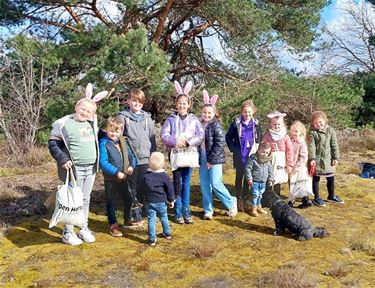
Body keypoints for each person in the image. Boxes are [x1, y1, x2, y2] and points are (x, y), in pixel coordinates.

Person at [48, 83, 108, 245]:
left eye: (89, 111)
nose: (85, 112)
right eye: (83, 109)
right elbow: (53, 144)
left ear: (92, 114)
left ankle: (83, 228)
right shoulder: (64, 125)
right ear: (76, 107)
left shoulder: (91, 125)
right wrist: (62, 159)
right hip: (73, 170)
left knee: (85, 199)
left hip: (91, 169)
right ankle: (68, 232)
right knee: (72, 200)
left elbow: (105, 137)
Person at [160, 80, 204, 224]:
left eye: (184, 103)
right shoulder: (171, 119)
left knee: (186, 182)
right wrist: (175, 142)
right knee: (177, 182)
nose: (182, 106)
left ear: (189, 105)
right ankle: (177, 211)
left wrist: (188, 142)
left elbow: (200, 134)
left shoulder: (194, 119)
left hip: (189, 155)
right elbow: (164, 134)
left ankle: (186, 210)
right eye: (179, 103)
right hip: (177, 156)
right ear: (176, 105)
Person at [118, 88, 156, 224]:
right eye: (134, 101)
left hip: (145, 158)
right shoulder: (122, 117)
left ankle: (142, 207)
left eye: (139, 102)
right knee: (131, 186)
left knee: (143, 185)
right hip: (131, 159)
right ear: (128, 101)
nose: (136, 104)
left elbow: (152, 138)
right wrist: (124, 158)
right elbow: (119, 138)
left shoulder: (147, 118)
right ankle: (134, 211)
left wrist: (153, 156)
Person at [199, 90, 238, 220]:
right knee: (205, 184)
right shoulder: (199, 124)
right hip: (202, 157)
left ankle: (231, 202)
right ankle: (208, 210)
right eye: (204, 112)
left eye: (209, 112)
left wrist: (211, 160)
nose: (206, 114)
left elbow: (219, 145)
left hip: (214, 159)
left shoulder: (217, 126)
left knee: (215, 183)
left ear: (214, 113)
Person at [99, 116, 137, 237]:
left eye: (117, 131)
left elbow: (132, 157)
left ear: (121, 131)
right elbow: (103, 162)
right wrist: (116, 172)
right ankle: (113, 225)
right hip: (111, 179)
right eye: (111, 130)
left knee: (129, 199)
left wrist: (131, 166)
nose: (114, 134)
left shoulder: (123, 141)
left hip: (124, 177)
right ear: (106, 129)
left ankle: (127, 220)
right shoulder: (104, 143)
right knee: (111, 202)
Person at [225, 100, 262, 212]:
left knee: (248, 176)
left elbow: (259, 137)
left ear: (253, 112)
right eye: (245, 112)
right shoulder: (236, 123)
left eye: (249, 112)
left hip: (251, 154)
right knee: (239, 176)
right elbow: (228, 137)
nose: (247, 114)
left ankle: (245, 198)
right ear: (241, 111)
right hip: (240, 154)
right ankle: (238, 198)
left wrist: (258, 150)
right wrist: (234, 149)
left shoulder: (256, 124)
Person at [308, 111, 343, 206]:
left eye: (320, 122)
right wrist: (312, 159)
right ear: (313, 123)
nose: (318, 124)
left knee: (331, 178)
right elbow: (311, 146)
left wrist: (335, 157)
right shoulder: (312, 132)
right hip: (317, 160)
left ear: (325, 121)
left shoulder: (330, 130)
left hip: (329, 159)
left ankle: (331, 196)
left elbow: (334, 145)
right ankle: (317, 198)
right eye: (316, 123)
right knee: (316, 178)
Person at [261, 111, 294, 207]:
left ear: (282, 124)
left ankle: (276, 199)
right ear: (270, 124)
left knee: (278, 180)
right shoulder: (267, 136)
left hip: (281, 160)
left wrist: (290, 164)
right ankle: (266, 199)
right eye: (274, 124)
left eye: (279, 124)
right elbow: (263, 147)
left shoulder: (285, 136)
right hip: (271, 160)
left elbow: (290, 150)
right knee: (269, 178)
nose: (276, 126)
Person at [144, 152, 175, 246]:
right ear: (163, 164)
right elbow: (170, 189)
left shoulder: (146, 176)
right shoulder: (164, 176)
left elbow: (141, 188)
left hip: (149, 201)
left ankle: (152, 239)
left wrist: (141, 199)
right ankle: (167, 233)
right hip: (161, 201)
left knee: (151, 220)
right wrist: (171, 200)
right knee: (164, 217)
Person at [245, 142, 274, 217]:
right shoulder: (253, 158)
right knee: (255, 195)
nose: (264, 154)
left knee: (260, 194)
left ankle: (259, 206)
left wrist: (270, 179)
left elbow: (270, 170)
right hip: (255, 181)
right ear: (258, 150)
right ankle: (253, 208)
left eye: (267, 153)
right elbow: (248, 168)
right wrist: (249, 178)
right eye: (263, 152)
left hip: (263, 181)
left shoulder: (267, 160)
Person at [288, 120, 312, 208]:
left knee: (300, 184)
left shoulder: (301, 143)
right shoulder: (289, 140)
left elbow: (304, 157)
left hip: (299, 168)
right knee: (292, 184)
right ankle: (291, 200)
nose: (294, 133)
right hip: (291, 166)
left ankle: (306, 200)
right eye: (292, 131)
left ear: (301, 132)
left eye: (296, 131)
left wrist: (297, 168)